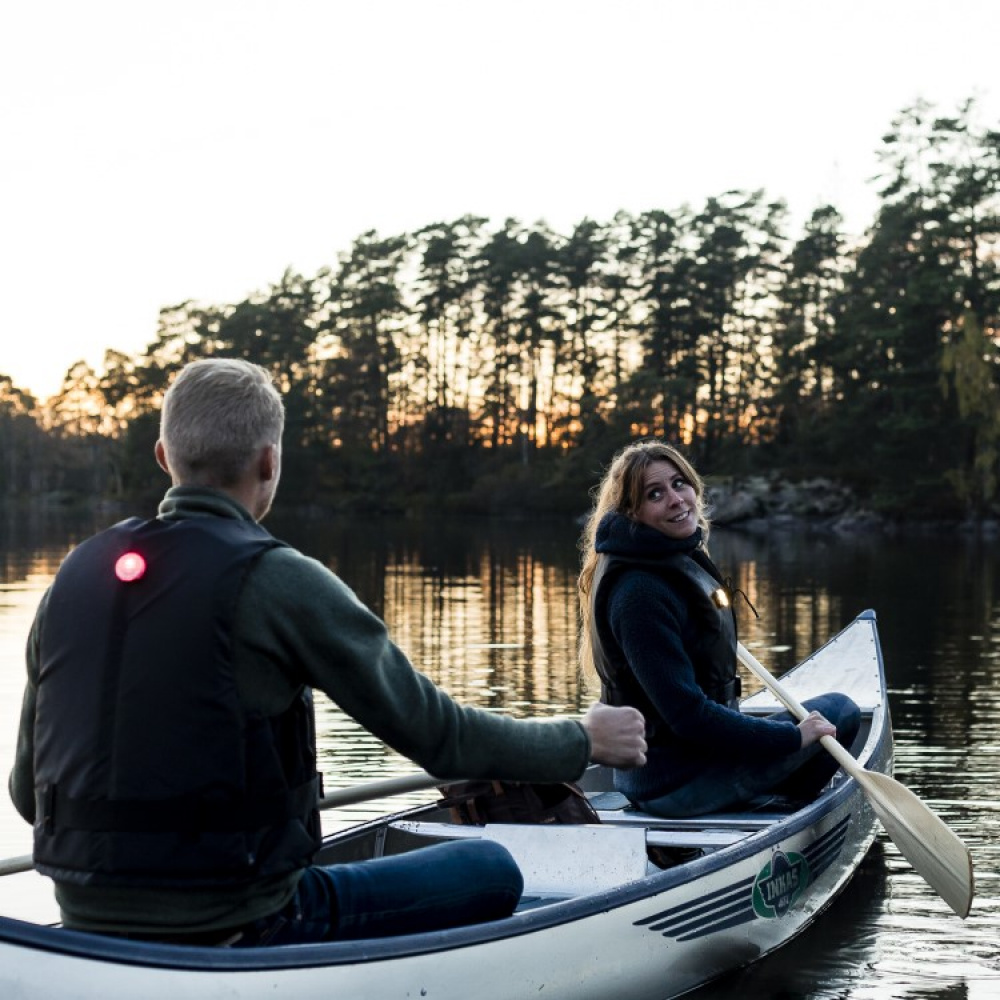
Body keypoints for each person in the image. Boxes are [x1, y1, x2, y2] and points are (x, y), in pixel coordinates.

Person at [8, 358, 647, 946]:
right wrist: (582, 739)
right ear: (268, 462)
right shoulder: (278, 579)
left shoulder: (73, 577)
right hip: (247, 921)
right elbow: (442, 739)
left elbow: (29, 796)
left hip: (85, 918)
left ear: (161, 457)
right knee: (489, 867)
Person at [577, 439, 860, 819]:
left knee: (818, 717)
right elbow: (689, 716)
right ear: (633, 513)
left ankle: (764, 795)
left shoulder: (671, 560)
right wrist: (793, 737)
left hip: (690, 761)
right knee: (839, 712)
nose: (676, 499)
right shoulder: (639, 593)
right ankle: (777, 805)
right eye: (654, 494)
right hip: (672, 784)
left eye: (680, 484)